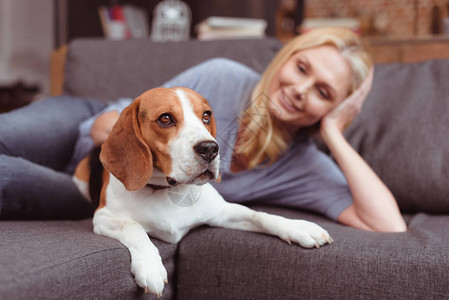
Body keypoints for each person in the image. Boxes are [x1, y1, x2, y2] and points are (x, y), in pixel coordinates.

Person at [0, 27, 406, 232]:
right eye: (301, 68)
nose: (300, 91)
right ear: (286, 58)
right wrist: (140, 147)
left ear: (334, 106)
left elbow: (388, 225)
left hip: (93, 188)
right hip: (85, 123)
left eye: (322, 92)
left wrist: (335, 131)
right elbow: (109, 124)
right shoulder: (223, 76)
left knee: (9, 177)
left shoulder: (303, 167)